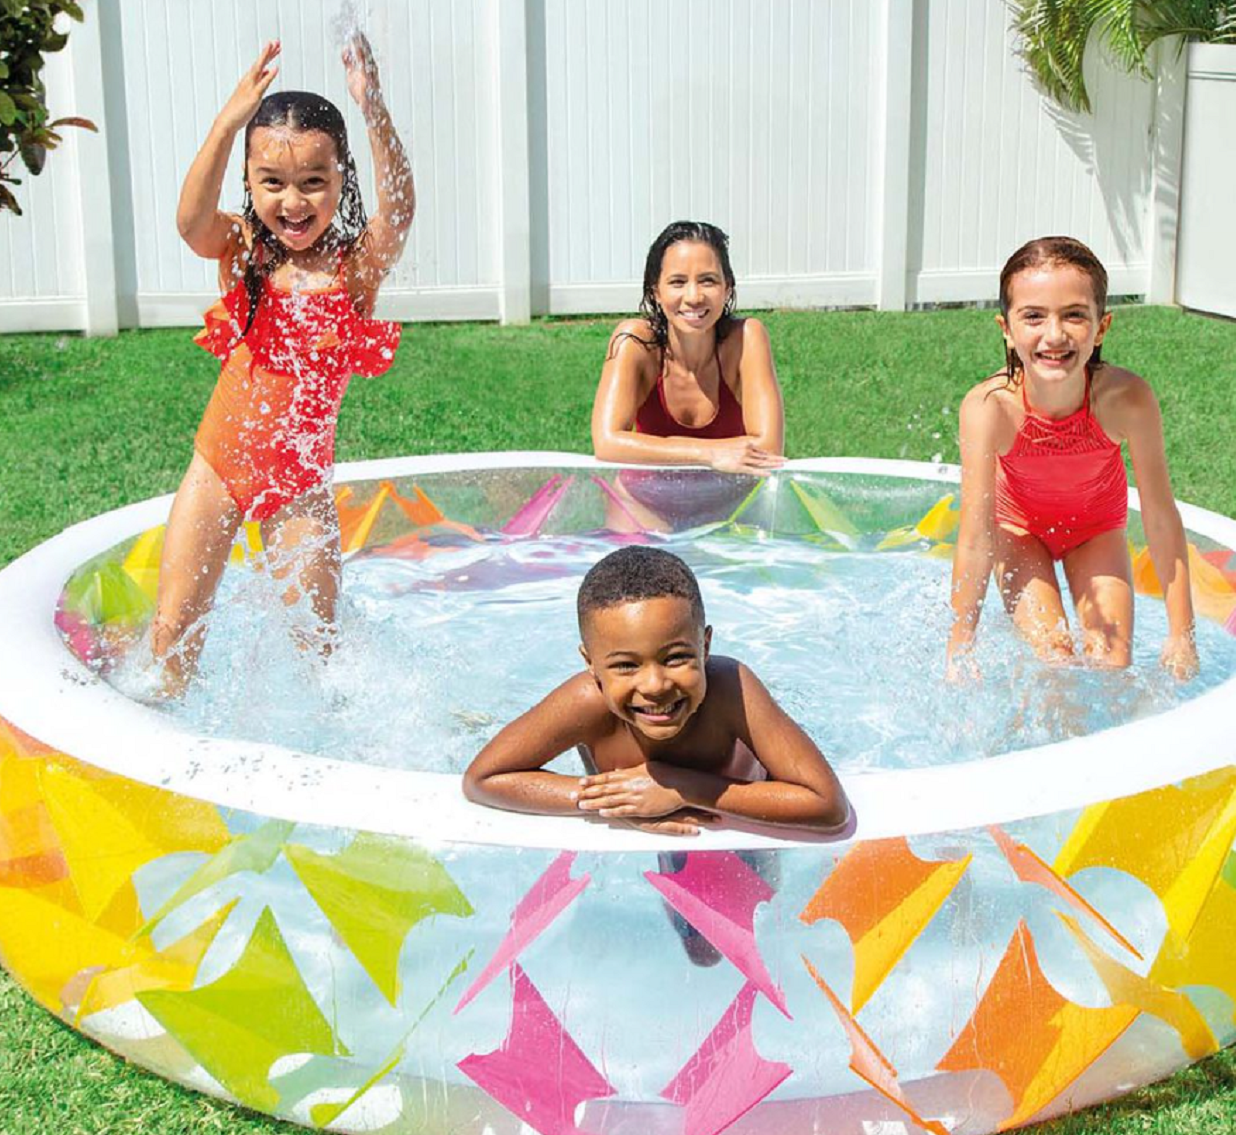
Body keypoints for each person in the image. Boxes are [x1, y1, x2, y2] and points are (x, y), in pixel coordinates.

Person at [150, 37, 414, 696]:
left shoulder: (355, 268)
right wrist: (227, 124)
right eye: (272, 181)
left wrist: (373, 108)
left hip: (298, 483)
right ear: (248, 181)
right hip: (217, 467)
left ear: (340, 179)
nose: (292, 202)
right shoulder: (244, 250)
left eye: (312, 182)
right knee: (172, 636)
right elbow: (190, 222)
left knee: (317, 655)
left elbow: (400, 208)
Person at [946, 236, 1200, 682]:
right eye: (1033, 316)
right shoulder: (989, 408)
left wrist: (1182, 634)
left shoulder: (1127, 400)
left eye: (1074, 315)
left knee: (1111, 666)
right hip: (1019, 533)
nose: (1054, 335)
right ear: (1006, 328)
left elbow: (1160, 517)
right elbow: (975, 537)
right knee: (1055, 658)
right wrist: (960, 645)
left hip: (1095, 532)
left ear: (1101, 327)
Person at [463, 546, 849, 837]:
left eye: (676, 657)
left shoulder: (732, 690)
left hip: (742, 826)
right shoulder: (586, 702)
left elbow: (828, 806)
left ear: (705, 647)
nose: (655, 685)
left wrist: (682, 787)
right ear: (591, 664)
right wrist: (619, 805)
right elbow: (484, 779)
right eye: (626, 665)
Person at [590, 221, 786, 477]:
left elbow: (768, 448)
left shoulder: (746, 339)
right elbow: (607, 442)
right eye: (678, 282)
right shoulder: (634, 343)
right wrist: (710, 454)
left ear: (727, 288)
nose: (693, 297)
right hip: (644, 494)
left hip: (732, 495)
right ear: (656, 292)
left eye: (708, 281)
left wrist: (654, 449)